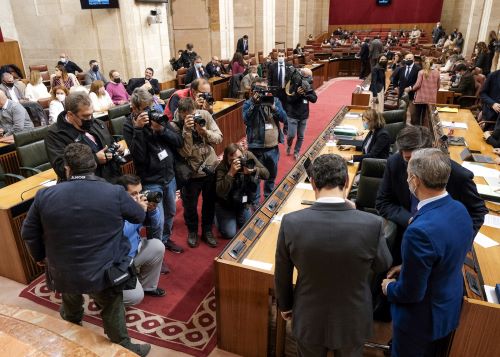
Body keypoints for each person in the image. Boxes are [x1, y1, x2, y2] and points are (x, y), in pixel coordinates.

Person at [21, 143, 150, 357]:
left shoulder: (44, 196)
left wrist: (40, 257)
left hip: (63, 270)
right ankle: (123, 345)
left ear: (67, 169)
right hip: (104, 271)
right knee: (111, 306)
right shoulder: (115, 193)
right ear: (93, 166)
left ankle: (70, 333)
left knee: (71, 299)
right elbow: (138, 217)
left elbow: (29, 233)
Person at [275, 153, 392, 357]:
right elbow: (383, 264)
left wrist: (285, 305)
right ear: (347, 182)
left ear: (312, 183)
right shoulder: (372, 224)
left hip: (309, 317)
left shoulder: (290, 222)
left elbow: (282, 273)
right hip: (352, 320)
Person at [381, 148, 474, 357]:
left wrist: (390, 288)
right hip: (447, 309)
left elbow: (411, 292)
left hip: (420, 321)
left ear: (414, 180)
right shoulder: (460, 210)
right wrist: (409, 266)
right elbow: (446, 254)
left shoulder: (418, 232)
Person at [375, 126, 487, 264]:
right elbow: (382, 202)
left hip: (441, 247)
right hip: (403, 240)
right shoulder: (395, 163)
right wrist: (409, 219)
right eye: (406, 159)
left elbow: (478, 210)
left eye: (413, 159)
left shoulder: (458, 175)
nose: (409, 167)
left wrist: (461, 244)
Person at [123, 88, 184, 254]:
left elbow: (179, 141)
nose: (148, 112)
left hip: (168, 175)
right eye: (144, 108)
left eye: (150, 106)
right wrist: (139, 130)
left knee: (171, 212)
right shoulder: (129, 126)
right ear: (134, 109)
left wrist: (161, 130)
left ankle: (164, 240)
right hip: (150, 179)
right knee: (156, 219)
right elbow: (139, 157)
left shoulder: (158, 116)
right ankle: (155, 252)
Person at [171, 97, 223, 248]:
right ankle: (192, 231)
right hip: (192, 173)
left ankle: (207, 230)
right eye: (187, 115)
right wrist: (187, 131)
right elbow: (185, 153)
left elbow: (219, 138)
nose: (192, 118)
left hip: (210, 167)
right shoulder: (174, 126)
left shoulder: (204, 115)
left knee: (209, 202)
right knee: (190, 206)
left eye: (193, 114)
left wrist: (204, 131)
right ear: (181, 114)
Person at [45, 92, 123, 182]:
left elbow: (111, 143)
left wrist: (117, 148)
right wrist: (94, 160)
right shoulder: (54, 134)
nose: (90, 119)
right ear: (70, 115)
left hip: (112, 179)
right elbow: (62, 168)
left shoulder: (98, 124)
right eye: (85, 116)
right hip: (86, 186)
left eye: (91, 114)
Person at [116, 174, 166, 305]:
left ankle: (148, 287)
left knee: (157, 246)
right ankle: (106, 299)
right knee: (135, 297)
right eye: (133, 194)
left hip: (134, 252)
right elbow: (122, 233)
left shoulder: (136, 206)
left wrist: (152, 211)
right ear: (122, 194)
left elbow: (155, 225)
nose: (139, 197)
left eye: (140, 192)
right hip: (118, 261)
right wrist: (138, 211)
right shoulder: (114, 209)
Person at [243, 77, 287, 205]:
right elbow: (246, 120)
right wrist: (255, 105)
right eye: (259, 90)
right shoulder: (248, 104)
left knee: (271, 176)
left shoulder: (275, 101)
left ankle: (268, 198)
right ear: (252, 91)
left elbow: (284, 118)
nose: (262, 93)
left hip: (272, 147)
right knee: (255, 178)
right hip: (255, 148)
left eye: (264, 90)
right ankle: (255, 204)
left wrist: (274, 107)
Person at [215, 143, 269, 238]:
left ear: (243, 154)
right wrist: (231, 173)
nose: (238, 161)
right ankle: (216, 216)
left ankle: (236, 216)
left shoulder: (247, 156)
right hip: (226, 205)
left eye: (240, 158)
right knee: (229, 234)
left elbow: (266, 174)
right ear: (226, 159)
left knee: (248, 228)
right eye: (232, 160)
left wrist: (254, 170)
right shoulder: (221, 168)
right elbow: (220, 192)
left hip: (242, 202)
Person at [285, 68, 317, 160]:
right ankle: (289, 145)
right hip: (293, 115)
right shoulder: (294, 84)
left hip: (304, 115)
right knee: (291, 135)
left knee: (301, 136)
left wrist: (306, 93)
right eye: (309, 76)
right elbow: (289, 100)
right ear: (303, 76)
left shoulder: (308, 85)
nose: (311, 78)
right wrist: (297, 94)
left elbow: (314, 99)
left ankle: (296, 151)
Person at [410, 57, 441, 126]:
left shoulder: (421, 72)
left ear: (423, 64)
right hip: (431, 99)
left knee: (417, 116)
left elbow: (417, 85)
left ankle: (417, 130)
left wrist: (411, 88)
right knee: (427, 117)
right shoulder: (437, 73)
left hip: (420, 98)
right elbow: (438, 86)